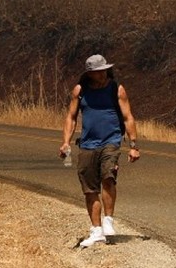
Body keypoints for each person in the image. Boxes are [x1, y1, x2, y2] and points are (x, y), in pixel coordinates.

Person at [60, 54, 141, 248]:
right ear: (90, 73)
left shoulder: (116, 89)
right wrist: (65, 142)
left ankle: (108, 220)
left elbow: (128, 117)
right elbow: (71, 117)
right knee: (90, 189)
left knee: (108, 177)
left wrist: (133, 146)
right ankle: (96, 230)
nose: (103, 74)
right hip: (87, 144)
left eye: (104, 69)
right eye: (98, 71)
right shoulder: (80, 91)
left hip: (111, 141)